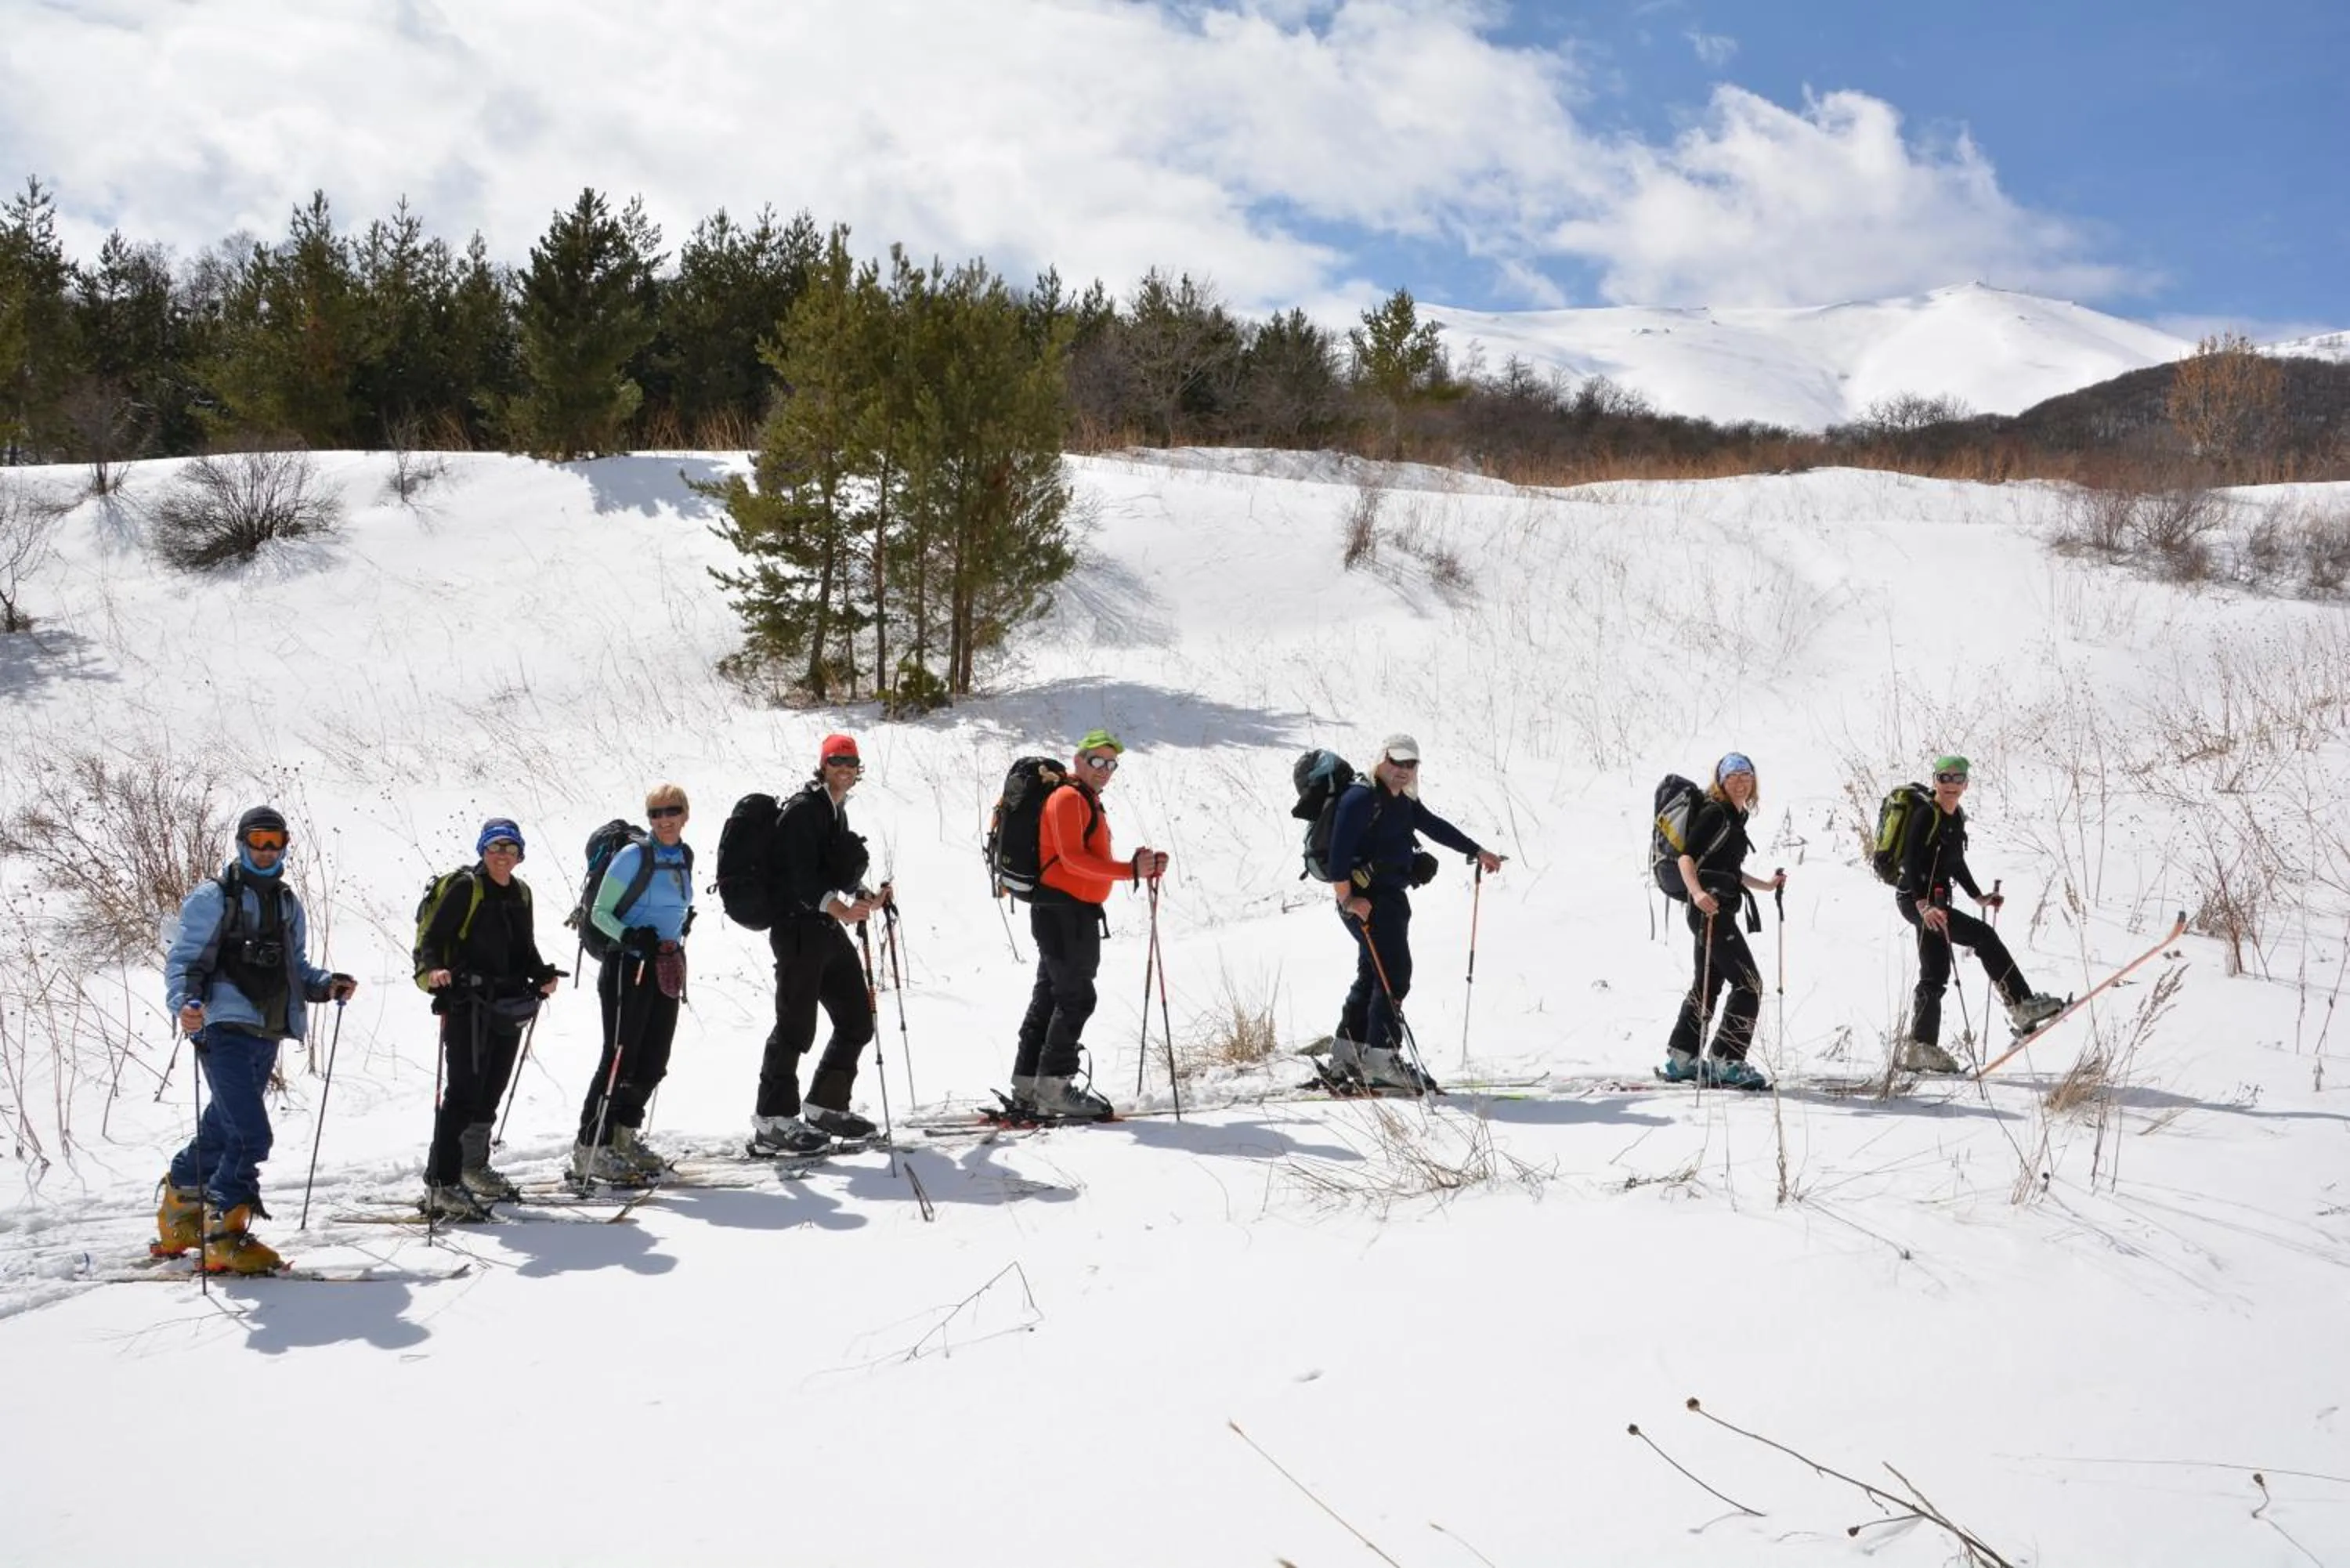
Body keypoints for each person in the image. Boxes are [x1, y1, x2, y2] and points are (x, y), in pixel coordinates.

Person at [154, 806, 356, 1274]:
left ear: (285, 844)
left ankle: (177, 1214)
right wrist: (185, 1003)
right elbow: (185, 959)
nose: (266, 850)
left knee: (223, 1131)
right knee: (250, 1135)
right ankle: (223, 1234)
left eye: (275, 841)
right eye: (258, 840)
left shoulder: (288, 902)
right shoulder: (213, 898)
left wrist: (326, 984)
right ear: (242, 843)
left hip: (267, 1030)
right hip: (222, 1027)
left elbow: (297, 969)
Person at [1325, 734, 1505, 1093]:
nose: (1402, 771)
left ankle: (1349, 1052)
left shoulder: (1402, 800)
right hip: (1366, 902)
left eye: (1410, 764)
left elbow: (1434, 825)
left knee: (1373, 974)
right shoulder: (1361, 798)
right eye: (1396, 762)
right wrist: (1348, 902)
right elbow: (1337, 858)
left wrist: (1477, 850)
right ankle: (1381, 1061)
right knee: (1394, 974)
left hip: (1388, 900)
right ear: (1381, 759)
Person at [1008, 728, 1168, 1119]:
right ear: (1078, 760)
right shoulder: (1068, 798)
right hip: (1064, 912)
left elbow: (1082, 857)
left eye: (1112, 763)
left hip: (1065, 911)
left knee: (1052, 994)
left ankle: (1030, 1082)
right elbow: (1071, 858)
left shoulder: (1085, 799)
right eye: (1097, 760)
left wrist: (1137, 868)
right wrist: (1128, 869)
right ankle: (1055, 1087)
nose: (1105, 769)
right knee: (1076, 998)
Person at [414, 818, 562, 1219]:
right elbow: (431, 942)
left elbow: (523, 947)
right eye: (496, 848)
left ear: (519, 855)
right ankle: (440, 1183)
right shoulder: (467, 888)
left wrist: (542, 973)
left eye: (511, 849)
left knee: (489, 1093)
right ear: (483, 850)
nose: (503, 856)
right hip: (467, 1005)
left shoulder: (521, 893)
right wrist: (435, 972)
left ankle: (472, 1167)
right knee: (462, 1094)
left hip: (508, 1005)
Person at [750, 734, 891, 1158]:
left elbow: (828, 870)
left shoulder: (834, 810)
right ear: (823, 764)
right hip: (796, 929)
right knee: (795, 1025)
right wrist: (841, 909)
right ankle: (772, 1119)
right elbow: (799, 878)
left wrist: (862, 894)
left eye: (851, 762)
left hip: (825, 928)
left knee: (856, 1018)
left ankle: (826, 1105)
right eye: (836, 761)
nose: (844, 769)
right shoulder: (803, 810)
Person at [1895, 754, 2063, 1072]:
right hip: (1916, 900)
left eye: (1958, 779)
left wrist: (1978, 897)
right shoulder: (1924, 814)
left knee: (1935, 975)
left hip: (1935, 903)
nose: (1951, 784)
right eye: (1944, 778)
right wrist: (1922, 905)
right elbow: (1911, 860)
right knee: (1983, 936)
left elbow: (1955, 863)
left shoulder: (1955, 818)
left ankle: (1920, 1049)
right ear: (1935, 781)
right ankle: (2022, 1006)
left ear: (1966, 784)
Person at [574, 784, 695, 1182]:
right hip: (627, 965)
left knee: (654, 1057)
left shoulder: (683, 855)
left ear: (685, 814)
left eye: (671, 811)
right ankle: (591, 1146)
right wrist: (629, 937)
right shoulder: (633, 855)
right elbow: (600, 914)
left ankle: (625, 1137)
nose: (664, 819)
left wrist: (678, 927)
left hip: (664, 964)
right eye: (656, 813)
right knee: (619, 1056)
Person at [1660, 753, 1784, 1090]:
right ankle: (1727, 1060)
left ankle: (1682, 1058)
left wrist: (1766, 885)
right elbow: (1687, 857)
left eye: (1746, 775)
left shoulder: (1735, 816)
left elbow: (1728, 870)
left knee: (1708, 984)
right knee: (1749, 984)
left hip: (1715, 908)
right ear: (1721, 781)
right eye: (1733, 777)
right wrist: (1698, 893)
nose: (1741, 781)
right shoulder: (1716, 812)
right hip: (1709, 910)